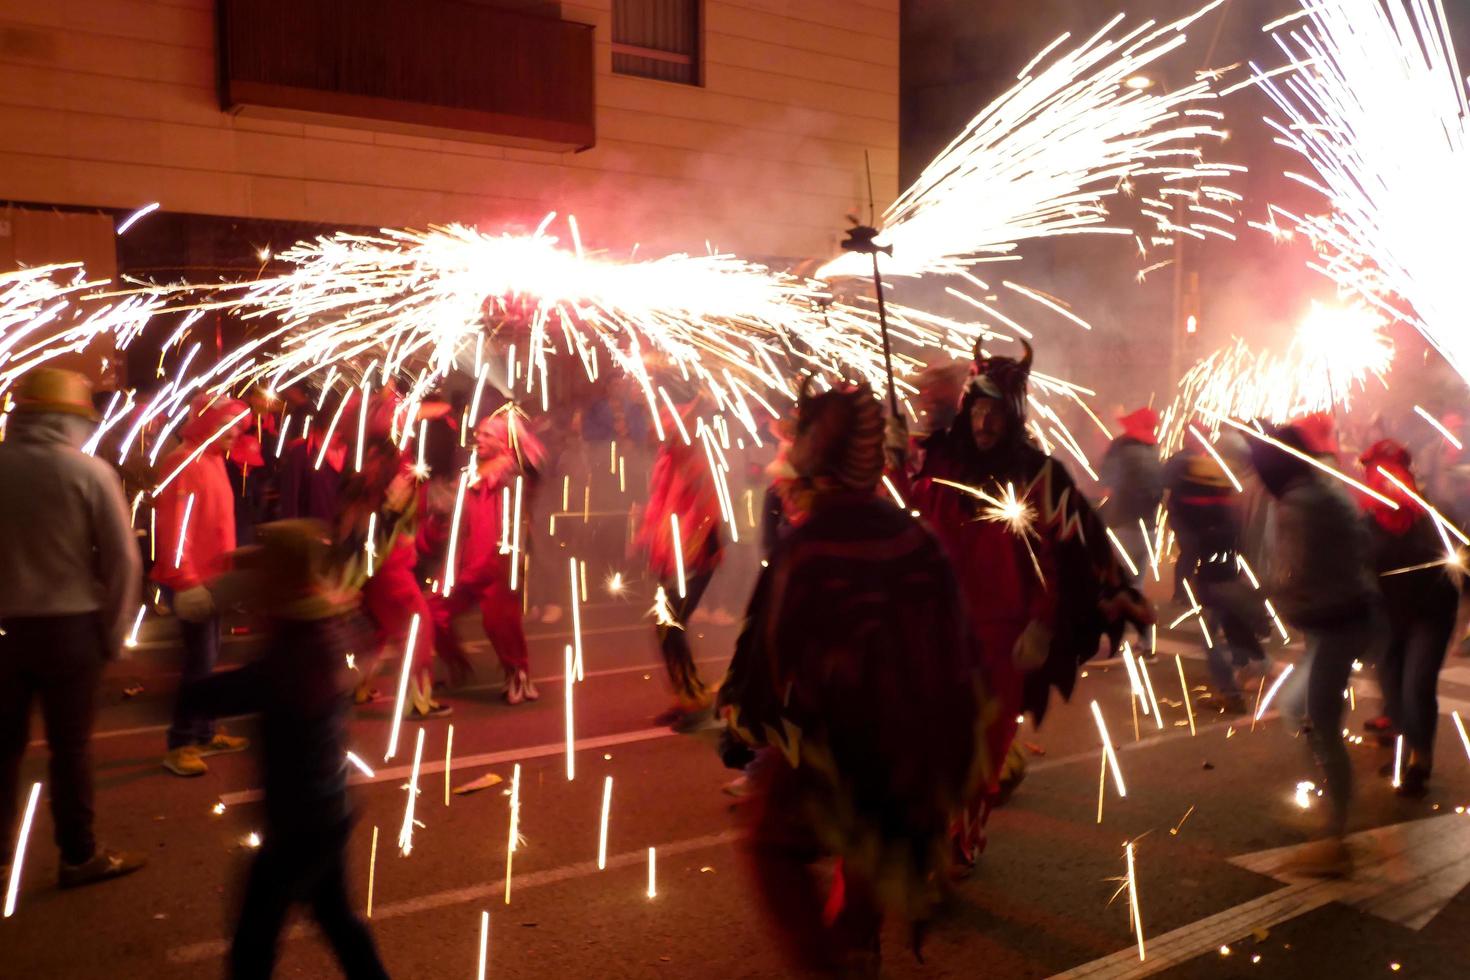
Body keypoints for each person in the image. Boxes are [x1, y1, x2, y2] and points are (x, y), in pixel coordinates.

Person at [719, 381, 988, 975]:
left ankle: (831, 967)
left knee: (771, 843)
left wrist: (745, 720)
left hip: (844, 744)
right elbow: (958, 649)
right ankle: (860, 947)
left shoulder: (810, 547)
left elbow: (774, 662)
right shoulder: (915, 537)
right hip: (915, 748)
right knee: (876, 844)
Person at [896, 339, 1148, 868]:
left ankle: (962, 840)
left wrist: (1050, 617)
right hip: (936, 626)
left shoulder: (1039, 475)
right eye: (979, 410)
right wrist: (897, 462)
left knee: (983, 745)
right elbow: (905, 513)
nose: (986, 424)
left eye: (997, 413)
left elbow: (1075, 546)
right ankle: (929, 828)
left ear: (1014, 416)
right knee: (930, 737)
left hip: (1002, 633)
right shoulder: (937, 459)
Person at [174, 520, 389, 979]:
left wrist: (172, 685)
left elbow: (217, 694)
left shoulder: (292, 654)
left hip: (300, 819)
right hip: (328, 807)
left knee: (253, 942)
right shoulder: (318, 629)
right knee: (337, 920)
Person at [0, 368, 147, 888]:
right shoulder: (87, 472)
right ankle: (78, 856)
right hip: (70, 631)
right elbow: (123, 562)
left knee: (1, 750)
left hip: (4, 632)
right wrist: (113, 632)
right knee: (70, 751)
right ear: (68, 419)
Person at [1249, 421, 1385, 876]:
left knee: (1322, 725)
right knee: (1296, 707)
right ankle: (1331, 804)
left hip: (1338, 624)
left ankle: (1335, 839)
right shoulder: (1321, 491)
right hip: (1344, 619)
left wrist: (1265, 593)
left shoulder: (1300, 504)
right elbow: (1361, 544)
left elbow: (1295, 572)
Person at [152, 395, 252, 777]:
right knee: (197, 664)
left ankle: (205, 732)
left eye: (238, 428)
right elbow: (173, 529)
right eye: (227, 426)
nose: (234, 434)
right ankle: (180, 743)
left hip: (213, 582)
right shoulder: (183, 461)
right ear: (205, 424)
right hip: (194, 583)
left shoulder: (212, 460)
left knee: (208, 659)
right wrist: (186, 581)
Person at [1357, 440, 1461, 797]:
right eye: (1377, 475)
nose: (1385, 482)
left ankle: (1420, 759)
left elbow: (1460, 554)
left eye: (1392, 473)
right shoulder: (1366, 521)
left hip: (1429, 615)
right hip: (1387, 617)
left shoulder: (1433, 513)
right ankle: (1407, 743)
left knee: (1417, 685)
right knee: (1393, 691)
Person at [420, 409, 541, 704]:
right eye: (478, 433)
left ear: (503, 443)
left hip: (497, 565)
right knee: (431, 611)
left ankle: (518, 675)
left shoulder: (508, 471)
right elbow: (455, 515)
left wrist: (517, 440)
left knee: (501, 624)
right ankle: (458, 666)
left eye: (488, 434)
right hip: (466, 564)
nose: (479, 438)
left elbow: (529, 470)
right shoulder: (473, 472)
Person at [336, 436, 447, 720]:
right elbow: (392, 524)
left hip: (373, 570)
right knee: (418, 628)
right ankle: (418, 700)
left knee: (376, 633)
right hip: (391, 570)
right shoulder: (400, 470)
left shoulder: (368, 464)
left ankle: (353, 687)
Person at [1166, 435, 1272, 712]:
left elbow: (1190, 535)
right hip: (1228, 577)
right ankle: (1251, 667)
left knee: (1211, 639)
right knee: (1230, 626)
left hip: (1215, 582)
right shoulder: (1225, 510)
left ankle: (1233, 689)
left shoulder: (1201, 516)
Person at [637, 405, 725, 730]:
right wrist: (649, 540)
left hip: (694, 557)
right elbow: (660, 508)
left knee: (670, 625)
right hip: (671, 556)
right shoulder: (667, 461)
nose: (661, 436)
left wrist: (687, 553)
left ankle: (693, 700)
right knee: (666, 627)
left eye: (669, 431)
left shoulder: (697, 463)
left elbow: (708, 513)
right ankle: (688, 695)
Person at [1100, 408, 1164, 652]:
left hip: (1122, 527)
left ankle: (1111, 645)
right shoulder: (1154, 450)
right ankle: (1146, 642)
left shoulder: (1121, 448)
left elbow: (1105, 480)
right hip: (1148, 529)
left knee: (1113, 588)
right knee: (1135, 587)